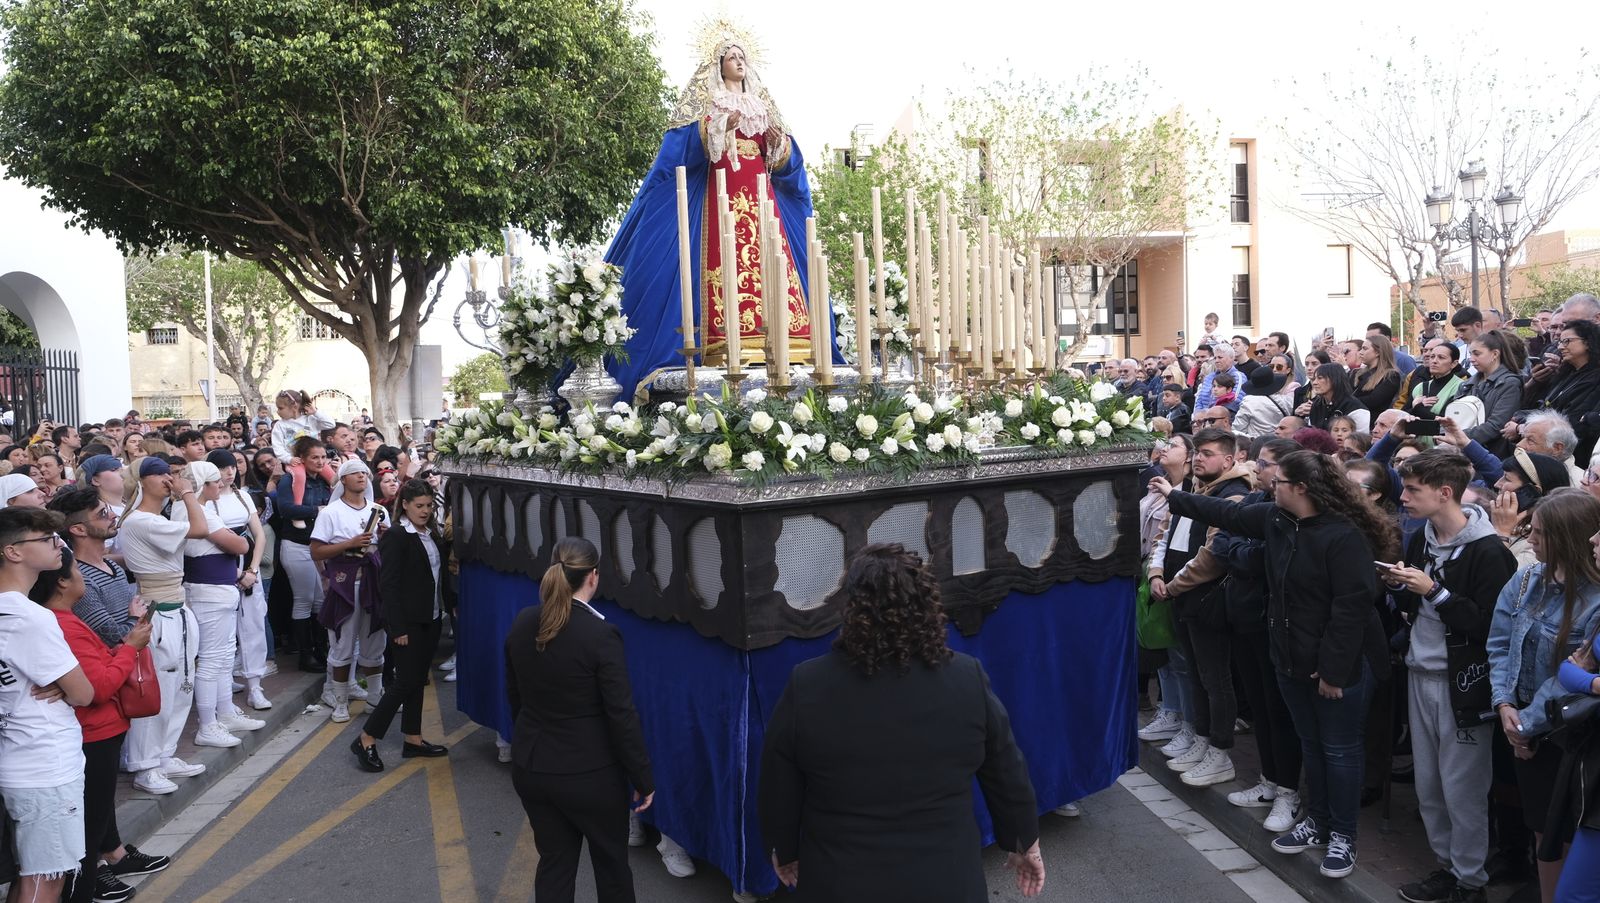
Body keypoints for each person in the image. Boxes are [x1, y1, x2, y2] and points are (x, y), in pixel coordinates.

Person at [1152, 449, 1397, 879]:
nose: (1269, 485)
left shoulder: (1344, 535)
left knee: (1338, 750)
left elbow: (1352, 607)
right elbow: (1224, 515)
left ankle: (1343, 836)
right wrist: (1174, 495)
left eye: (1278, 481)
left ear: (1301, 488)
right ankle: (1317, 822)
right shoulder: (1278, 520)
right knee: (1311, 744)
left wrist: (1334, 670)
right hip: (1290, 657)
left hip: (1337, 667)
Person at [758, 543, 1043, 900]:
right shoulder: (966, 679)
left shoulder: (808, 685)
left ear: (851, 607)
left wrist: (784, 851)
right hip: (946, 882)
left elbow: (778, 786)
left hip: (841, 881)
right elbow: (1006, 773)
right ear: (926, 604)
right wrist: (1023, 844)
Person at [606, 36, 833, 403]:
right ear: (719, 66)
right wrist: (718, 127)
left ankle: (786, 341)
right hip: (721, 200)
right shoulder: (710, 105)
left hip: (763, 205)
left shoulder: (763, 107)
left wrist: (779, 144)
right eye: (732, 57)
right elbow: (679, 153)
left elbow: (787, 167)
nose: (740, 62)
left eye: (743, 57)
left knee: (771, 263)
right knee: (723, 267)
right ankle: (721, 342)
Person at [1385, 451, 1517, 903]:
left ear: (1445, 493)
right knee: (1429, 785)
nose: (1403, 499)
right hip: (1419, 672)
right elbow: (1414, 608)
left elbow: (1489, 626)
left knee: (1463, 790)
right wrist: (1401, 588)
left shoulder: (1487, 551)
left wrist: (1434, 592)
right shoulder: (1421, 536)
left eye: (1412, 490)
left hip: (1463, 686)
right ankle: (1448, 868)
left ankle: (1470, 881)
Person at [506, 537, 655, 903]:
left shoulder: (524, 622)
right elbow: (621, 714)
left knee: (555, 865)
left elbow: (516, 698)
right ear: (593, 577)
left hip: (533, 764)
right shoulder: (601, 635)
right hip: (589, 775)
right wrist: (642, 777)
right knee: (612, 868)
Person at [33, 543, 170, 903]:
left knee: (99, 807)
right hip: (95, 731)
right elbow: (98, 687)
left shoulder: (64, 619)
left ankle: (112, 857)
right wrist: (130, 647)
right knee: (89, 822)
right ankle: (87, 886)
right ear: (63, 583)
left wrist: (121, 645)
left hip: (101, 729)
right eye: (77, 572)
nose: (83, 578)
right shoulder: (64, 624)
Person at [1487, 490, 1600, 903]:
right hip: (1521, 724)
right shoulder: (1526, 580)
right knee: (1540, 828)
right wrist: (1504, 705)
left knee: (1569, 832)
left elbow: (1573, 675)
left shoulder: (1595, 598)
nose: (1529, 540)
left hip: (1568, 734)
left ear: (1569, 537)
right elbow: (1500, 644)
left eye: (1538, 533)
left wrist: (1526, 726)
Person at [1148, 429, 1253, 787]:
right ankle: (1199, 736)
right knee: (1194, 672)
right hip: (1180, 594)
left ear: (1229, 459)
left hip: (1206, 599)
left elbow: (1213, 555)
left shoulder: (1233, 494)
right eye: (1197, 453)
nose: (1198, 459)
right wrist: (1156, 572)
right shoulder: (1192, 489)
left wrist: (1175, 586)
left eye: (1207, 454)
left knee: (1215, 678)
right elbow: (1166, 531)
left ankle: (1219, 751)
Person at [0, 506, 94, 903]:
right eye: (46, 539)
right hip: (46, 761)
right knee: (46, 879)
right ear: (13, 552)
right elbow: (84, 692)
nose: (58, 546)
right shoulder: (29, 617)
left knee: (32, 874)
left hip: (18, 756)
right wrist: (63, 685)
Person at [1215, 438, 1305, 834]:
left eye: (1266, 465)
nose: (1259, 469)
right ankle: (1269, 780)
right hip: (1245, 617)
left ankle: (1289, 790)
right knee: (1261, 707)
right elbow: (1228, 548)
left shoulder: (1293, 516)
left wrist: (1251, 556)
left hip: (1277, 624)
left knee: (1279, 711)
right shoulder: (1253, 505)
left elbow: (1267, 559)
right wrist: (1250, 555)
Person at [117, 457, 215, 795]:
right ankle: (145, 766)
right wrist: (188, 494)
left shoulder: (153, 518)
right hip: (159, 613)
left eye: (172, 474)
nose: (169, 479)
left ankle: (165, 755)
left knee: (182, 685)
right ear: (143, 481)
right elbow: (202, 530)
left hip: (178, 606)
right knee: (157, 690)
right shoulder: (141, 521)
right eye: (161, 474)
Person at [352, 480, 449, 771]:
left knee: (418, 679)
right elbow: (389, 585)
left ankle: (413, 738)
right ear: (405, 505)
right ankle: (366, 737)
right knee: (404, 682)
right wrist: (398, 628)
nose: (425, 511)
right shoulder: (396, 535)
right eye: (419, 506)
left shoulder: (431, 534)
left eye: (429, 506)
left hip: (430, 618)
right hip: (407, 622)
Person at [309, 458, 389, 723]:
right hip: (345, 583)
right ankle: (340, 701)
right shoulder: (330, 513)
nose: (361, 477)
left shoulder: (378, 510)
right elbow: (317, 550)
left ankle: (375, 698)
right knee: (342, 644)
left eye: (365, 473)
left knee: (375, 641)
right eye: (355, 473)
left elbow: (384, 549)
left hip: (373, 582)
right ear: (343, 479)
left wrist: (386, 537)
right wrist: (349, 544)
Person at [277, 436, 333, 672]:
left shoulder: (323, 481)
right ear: (302, 458)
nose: (320, 462)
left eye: (323, 457)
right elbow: (286, 508)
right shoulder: (289, 479)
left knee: (320, 600)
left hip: (318, 545)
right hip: (296, 544)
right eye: (315, 457)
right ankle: (305, 655)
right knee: (304, 599)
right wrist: (316, 510)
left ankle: (320, 650)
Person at [1464, 330, 1527, 455]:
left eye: (1477, 354)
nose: (1471, 359)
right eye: (1470, 354)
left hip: (1493, 453)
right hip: (1466, 450)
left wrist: (1458, 436)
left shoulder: (1510, 383)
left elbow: (1496, 426)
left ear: (1495, 354)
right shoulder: (1468, 383)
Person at [271, 389, 337, 507]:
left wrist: (315, 412)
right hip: (295, 461)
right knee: (300, 476)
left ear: (294, 406)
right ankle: (298, 507)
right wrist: (288, 459)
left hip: (315, 459)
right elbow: (278, 447)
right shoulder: (280, 425)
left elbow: (330, 424)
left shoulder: (310, 419)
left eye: (280, 408)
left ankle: (335, 503)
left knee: (333, 477)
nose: (278, 412)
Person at [1398, 341, 1468, 419]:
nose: (1434, 361)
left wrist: (1417, 407)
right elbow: (1402, 416)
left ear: (1454, 363)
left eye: (1441, 357)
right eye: (1432, 357)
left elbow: (1446, 421)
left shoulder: (1460, 387)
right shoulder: (1420, 387)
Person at [1298, 363, 1371, 433]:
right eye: (1314, 379)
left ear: (1334, 379)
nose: (1314, 382)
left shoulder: (1355, 408)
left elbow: (1360, 442)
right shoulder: (1316, 405)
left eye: (1320, 378)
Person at [1234, 365, 1296, 440]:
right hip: (1281, 443)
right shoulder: (1287, 401)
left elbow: (1238, 429)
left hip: (1257, 444)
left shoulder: (1249, 402)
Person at [1352, 334, 1402, 414]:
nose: (1360, 352)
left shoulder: (1391, 375)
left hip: (1374, 421)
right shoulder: (1357, 373)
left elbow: (1373, 401)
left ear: (1378, 352)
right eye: (1361, 348)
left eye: (1365, 349)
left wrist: (1347, 401)